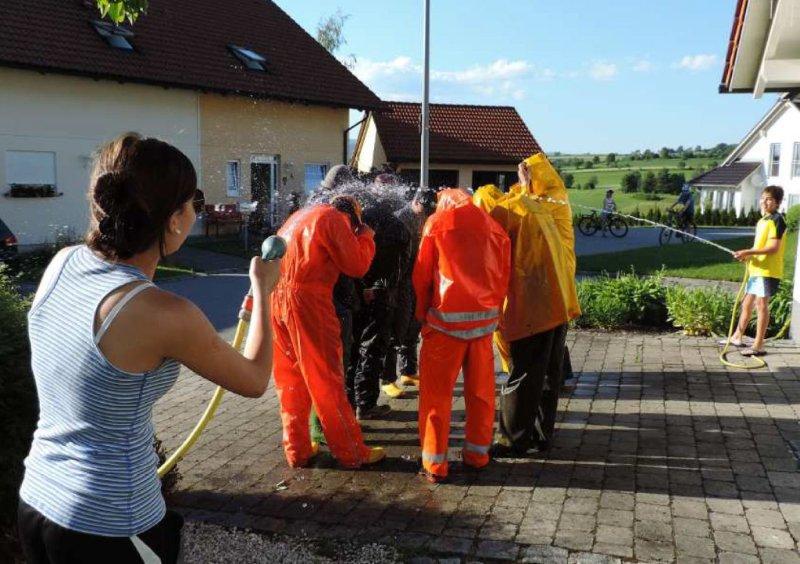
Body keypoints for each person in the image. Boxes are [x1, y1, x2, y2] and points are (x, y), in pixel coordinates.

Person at [18, 133, 280, 563]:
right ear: (174, 220)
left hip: (37, 502)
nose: (197, 211)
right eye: (193, 201)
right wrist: (264, 290)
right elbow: (253, 380)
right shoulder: (163, 313)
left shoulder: (62, 262)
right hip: (110, 525)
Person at [271, 196, 386, 467]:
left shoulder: (300, 215)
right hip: (308, 302)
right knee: (327, 379)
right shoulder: (334, 220)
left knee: (290, 380)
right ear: (353, 219)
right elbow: (357, 265)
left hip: (276, 297)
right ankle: (352, 452)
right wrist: (366, 236)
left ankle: (297, 450)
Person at [414, 188, 511, 482]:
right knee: (482, 394)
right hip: (482, 329)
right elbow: (504, 276)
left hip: (444, 328)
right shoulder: (495, 228)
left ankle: (434, 465)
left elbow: (421, 275)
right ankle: (478, 455)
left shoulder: (436, 224)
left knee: (436, 398)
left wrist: (422, 317)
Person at [490, 155, 580, 456]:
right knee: (548, 375)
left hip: (534, 307)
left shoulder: (520, 209)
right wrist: (527, 188)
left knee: (523, 374)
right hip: (559, 303)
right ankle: (541, 435)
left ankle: (513, 439)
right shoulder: (554, 201)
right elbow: (529, 203)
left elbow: (500, 215)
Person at [347, 201, 411, 417]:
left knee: (353, 350)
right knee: (372, 351)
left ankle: (350, 404)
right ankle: (365, 405)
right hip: (382, 297)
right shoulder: (399, 229)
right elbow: (401, 270)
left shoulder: (360, 229)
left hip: (358, 297)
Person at [383, 188, 437, 391]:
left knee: (414, 325)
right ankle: (387, 379)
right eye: (423, 210)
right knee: (396, 328)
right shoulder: (399, 220)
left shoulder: (427, 217)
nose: (425, 216)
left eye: (429, 212)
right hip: (399, 281)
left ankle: (408, 370)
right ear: (415, 202)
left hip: (415, 279)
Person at [725, 185, 787, 357]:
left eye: (769, 199)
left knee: (761, 306)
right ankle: (737, 336)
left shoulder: (777, 220)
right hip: (756, 269)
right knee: (746, 303)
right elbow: (759, 246)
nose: (765, 202)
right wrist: (747, 255)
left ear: (778, 203)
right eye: (763, 198)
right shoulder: (763, 221)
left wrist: (749, 252)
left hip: (767, 271)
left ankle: (758, 345)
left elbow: (773, 248)